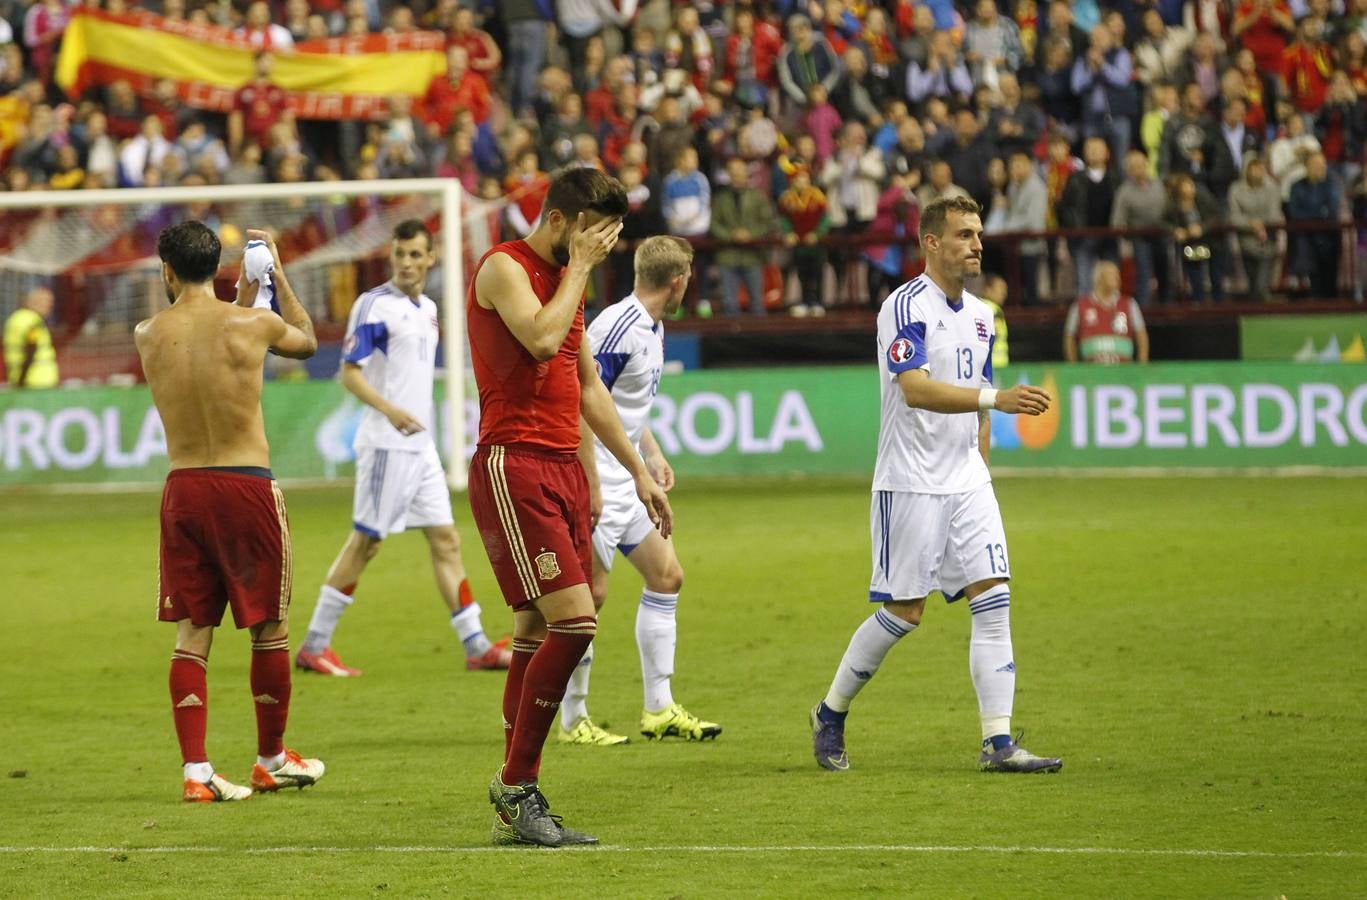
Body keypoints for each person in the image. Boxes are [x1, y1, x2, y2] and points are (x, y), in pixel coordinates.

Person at [808, 195, 1061, 775]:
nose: (976, 244)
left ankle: (998, 744)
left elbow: (977, 404)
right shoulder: (903, 307)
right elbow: (916, 389)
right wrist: (997, 400)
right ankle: (831, 711)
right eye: (964, 235)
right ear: (931, 242)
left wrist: (983, 468)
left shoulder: (981, 314)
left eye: (978, 234)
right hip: (911, 482)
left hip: (968, 481)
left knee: (994, 599)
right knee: (904, 612)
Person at [467, 167, 673, 847]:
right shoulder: (503, 267)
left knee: (532, 628)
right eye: (595, 235)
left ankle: (514, 791)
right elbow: (539, 340)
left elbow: (586, 387)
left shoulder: (567, 282)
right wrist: (577, 271)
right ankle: (516, 783)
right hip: (513, 463)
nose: (603, 249)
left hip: (560, 467)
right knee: (576, 621)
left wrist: (634, 472)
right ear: (559, 220)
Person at [135, 222, 324, 802]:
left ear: (167, 270)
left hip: (184, 489)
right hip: (245, 485)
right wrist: (276, 276)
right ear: (216, 266)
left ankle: (197, 773)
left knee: (194, 630)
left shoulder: (148, 333)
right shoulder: (251, 324)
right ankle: (270, 759)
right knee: (268, 624)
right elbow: (306, 340)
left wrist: (241, 292)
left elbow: (202, 340)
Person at [295, 220, 510, 677]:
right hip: (386, 445)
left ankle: (475, 644)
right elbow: (350, 372)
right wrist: (390, 410)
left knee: (446, 539)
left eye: (416, 255)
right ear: (391, 257)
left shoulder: (429, 308)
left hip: (421, 447)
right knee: (366, 543)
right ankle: (315, 644)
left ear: (431, 258)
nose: (408, 263)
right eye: (400, 254)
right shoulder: (373, 306)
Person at [557, 236, 721, 747]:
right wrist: (591, 481)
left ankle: (658, 709)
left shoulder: (653, 326)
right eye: (688, 277)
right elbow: (582, 402)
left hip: (629, 474)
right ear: (678, 280)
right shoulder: (617, 327)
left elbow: (622, 407)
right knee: (590, 597)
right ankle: (571, 719)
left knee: (667, 576)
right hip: (600, 476)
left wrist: (650, 454)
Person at [1063, 260, 1150, 363]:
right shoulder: (1079, 306)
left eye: (1117, 274)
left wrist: (1142, 366)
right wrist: (1073, 367)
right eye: (1111, 274)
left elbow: (1142, 336)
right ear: (1099, 278)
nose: (1117, 278)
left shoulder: (1130, 304)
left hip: (1124, 372)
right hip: (1090, 373)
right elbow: (1069, 337)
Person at [4, 286, 58, 388]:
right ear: (35, 302)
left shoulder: (16, 318)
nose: (49, 307)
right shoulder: (33, 322)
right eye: (46, 303)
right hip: (37, 381)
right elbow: (31, 347)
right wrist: (21, 380)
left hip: (22, 377)